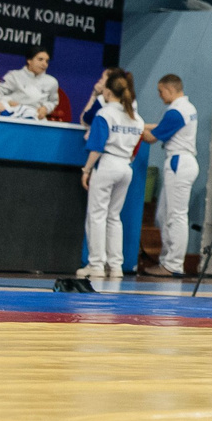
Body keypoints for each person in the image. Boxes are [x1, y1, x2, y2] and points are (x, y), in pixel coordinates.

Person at [77, 69, 143, 280]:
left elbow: (96, 146)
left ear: (107, 93)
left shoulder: (105, 114)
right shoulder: (136, 118)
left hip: (107, 163)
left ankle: (96, 264)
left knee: (96, 215)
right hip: (125, 166)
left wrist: (86, 170)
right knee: (114, 217)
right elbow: (135, 148)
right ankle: (115, 266)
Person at [144, 73, 200, 275]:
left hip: (178, 163)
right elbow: (160, 128)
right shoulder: (187, 108)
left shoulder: (175, 112)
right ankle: (167, 261)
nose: (160, 96)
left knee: (176, 216)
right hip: (183, 162)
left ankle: (173, 264)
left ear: (169, 89)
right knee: (163, 215)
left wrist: (131, 129)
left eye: (160, 92)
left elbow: (151, 137)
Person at [0, 48, 61, 120]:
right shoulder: (14, 76)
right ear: (29, 60)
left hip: (37, 118)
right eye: (40, 59)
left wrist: (46, 108)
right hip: (13, 116)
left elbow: (53, 101)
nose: (44, 64)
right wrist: (8, 102)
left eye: (47, 61)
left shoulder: (52, 82)